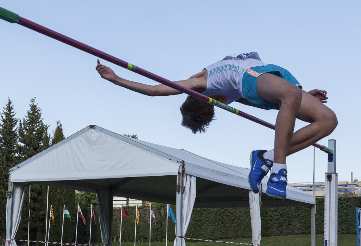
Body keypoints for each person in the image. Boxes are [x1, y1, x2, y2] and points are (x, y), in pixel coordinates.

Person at [95, 53, 337, 198]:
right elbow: (155, 90)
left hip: (270, 76)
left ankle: (266, 157)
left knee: (328, 120)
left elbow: (156, 90)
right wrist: (116, 79)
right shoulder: (200, 84)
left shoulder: (200, 81)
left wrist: (302, 94)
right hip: (256, 80)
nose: (219, 103)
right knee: (291, 96)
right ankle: (277, 173)